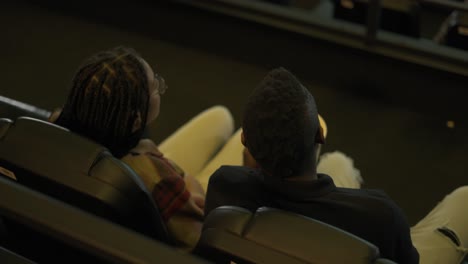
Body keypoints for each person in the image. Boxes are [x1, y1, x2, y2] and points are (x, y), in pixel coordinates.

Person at [205, 67, 468, 264]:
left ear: (244, 141)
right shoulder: (381, 215)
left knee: (338, 163)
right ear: (320, 135)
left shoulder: (226, 185)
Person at [51, 46, 240, 250]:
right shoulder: (155, 178)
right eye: (154, 86)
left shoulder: (54, 134)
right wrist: (190, 186)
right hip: (177, 197)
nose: (159, 88)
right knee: (238, 135)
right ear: (135, 121)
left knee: (220, 117)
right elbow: (199, 235)